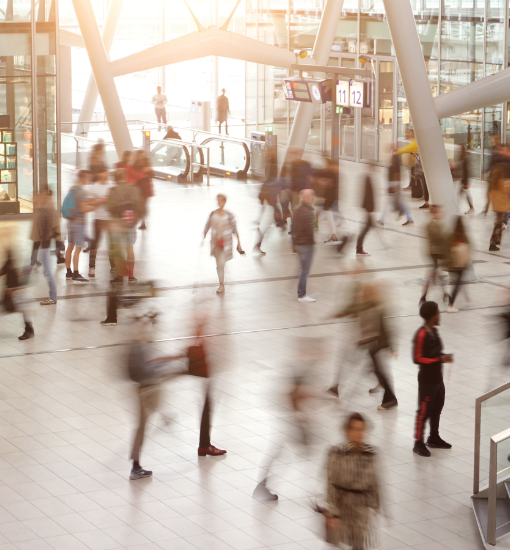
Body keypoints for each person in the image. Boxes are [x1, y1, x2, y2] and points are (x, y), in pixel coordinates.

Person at [331, 279, 398, 410]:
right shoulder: (364, 305)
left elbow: (386, 329)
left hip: (377, 344)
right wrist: (341, 313)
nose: (365, 294)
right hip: (369, 344)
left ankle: (390, 399)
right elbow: (353, 309)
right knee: (376, 371)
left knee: (377, 371)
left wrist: (393, 348)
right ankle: (389, 398)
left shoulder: (378, 308)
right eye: (365, 292)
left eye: (368, 292)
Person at [324, 412, 380, 550]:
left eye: (362, 429)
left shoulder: (370, 453)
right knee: (341, 542)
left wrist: (375, 502)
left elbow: (374, 479)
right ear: (347, 431)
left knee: (360, 544)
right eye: (356, 429)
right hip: (342, 505)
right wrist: (333, 512)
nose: (360, 433)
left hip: (361, 506)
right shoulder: (337, 453)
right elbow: (331, 484)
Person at [413, 301, 453, 457]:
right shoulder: (421, 334)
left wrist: (442, 357)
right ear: (432, 316)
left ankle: (433, 437)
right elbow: (417, 358)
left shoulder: (434, 330)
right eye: (438, 312)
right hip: (427, 381)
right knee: (424, 411)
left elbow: (435, 354)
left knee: (437, 408)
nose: (439, 314)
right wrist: (439, 359)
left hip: (437, 379)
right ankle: (418, 443)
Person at [107, 168, 143, 284]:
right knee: (130, 248)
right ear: (125, 177)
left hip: (117, 223)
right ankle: (131, 275)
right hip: (130, 223)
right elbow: (139, 206)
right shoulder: (134, 189)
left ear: (115, 179)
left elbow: (109, 208)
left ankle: (120, 276)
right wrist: (135, 220)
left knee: (118, 249)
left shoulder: (113, 191)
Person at [203, 194, 243, 294]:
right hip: (216, 244)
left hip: (226, 244)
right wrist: (204, 234)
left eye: (221, 200)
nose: (219, 202)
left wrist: (239, 243)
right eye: (218, 200)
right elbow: (207, 225)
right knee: (219, 264)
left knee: (221, 264)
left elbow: (234, 229)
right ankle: (221, 283)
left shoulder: (229, 215)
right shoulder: (213, 214)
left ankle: (221, 284)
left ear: (225, 202)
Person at [30, 190, 61, 305]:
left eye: (40, 196)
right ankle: (53, 296)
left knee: (47, 272)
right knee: (46, 272)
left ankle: (53, 297)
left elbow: (51, 229)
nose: (37, 198)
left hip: (45, 245)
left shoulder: (47, 210)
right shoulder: (45, 209)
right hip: (44, 245)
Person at [87, 167, 115, 279]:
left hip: (110, 219)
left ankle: (113, 266)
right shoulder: (94, 187)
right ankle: (91, 267)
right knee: (95, 243)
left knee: (112, 243)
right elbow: (90, 203)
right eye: (104, 171)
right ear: (99, 173)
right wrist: (102, 200)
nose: (106, 173)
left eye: (107, 171)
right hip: (98, 219)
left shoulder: (112, 185)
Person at [65, 169, 92, 283]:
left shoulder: (72, 188)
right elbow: (83, 208)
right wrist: (93, 207)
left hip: (70, 222)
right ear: (84, 178)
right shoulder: (82, 191)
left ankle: (68, 271)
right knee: (78, 248)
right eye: (87, 177)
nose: (88, 179)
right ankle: (76, 273)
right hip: (79, 224)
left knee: (70, 247)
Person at [420, 205, 448, 305]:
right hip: (435, 252)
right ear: (433, 213)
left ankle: (444, 293)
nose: (441, 214)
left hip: (437, 252)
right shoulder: (431, 225)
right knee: (433, 273)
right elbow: (438, 238)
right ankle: (424, 296)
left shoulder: (437, 224)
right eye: (439, 212)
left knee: (436, 273)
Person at [378, 146, 413, 227]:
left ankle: (381, 219)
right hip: (392, 183)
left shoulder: (395, 157)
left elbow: (398, 173)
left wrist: (396, 185)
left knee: (389, 203)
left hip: (393, 184)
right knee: (400, 203)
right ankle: (408, 217)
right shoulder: (392, 157)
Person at [291, 189, 316, 303]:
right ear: (308, 198)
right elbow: (310, 230)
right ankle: (302, 295)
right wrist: (312, 243)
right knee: (305, 271)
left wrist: (294, 245)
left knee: (302, 270)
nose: (313, 198)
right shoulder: (308, 212)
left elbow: (292, 228)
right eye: (312, 196)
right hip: (306, 245)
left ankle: (300, 293)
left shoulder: (297, 210)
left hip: (298, 244)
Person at [445, 216, 471, 313]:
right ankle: (450, 305)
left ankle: (467, 299)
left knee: (458, 282)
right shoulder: (464, 236)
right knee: (458, 284)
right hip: (461, 264)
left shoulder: (451, 236)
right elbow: (470, 247)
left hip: (452, 264)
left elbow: (446, 249)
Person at [315, 157, 342, 243]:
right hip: (329, 198)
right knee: (327, 216)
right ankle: (333, 235)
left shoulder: (330, 173)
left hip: (329, 198)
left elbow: (326, 186)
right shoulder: (331, 173)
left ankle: (333, 236)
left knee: (328, 216)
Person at [489, 161, 510, 251]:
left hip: (497, 206)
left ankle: (494, 242)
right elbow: (506, 193)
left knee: (498, 224)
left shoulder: (494, 183)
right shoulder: (502, 183)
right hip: (501, 207)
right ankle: (493, 244)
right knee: (498, 225)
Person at [133, 152, 154, 230]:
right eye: (139, 156)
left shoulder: (147, 164)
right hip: (138, 187)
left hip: (146, 188)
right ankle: (141, 220)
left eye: (141, 156)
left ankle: (143, 221)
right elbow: (134, 175)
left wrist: (142, 175)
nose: (140, 157)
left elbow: (152, 174)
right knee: (139, 205)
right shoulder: (135, 164)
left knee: (144, 205)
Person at [356, 170, 375, 257]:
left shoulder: (368, 177)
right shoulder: (368, 178)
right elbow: (367, 195)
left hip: (368, 209)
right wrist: (369, 210)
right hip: (368, 209)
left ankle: (359, 248)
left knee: (367, 226)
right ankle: (359, 249)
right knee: (366, 227)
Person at [458, 144, 474, 214]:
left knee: (463, 194)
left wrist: (467, 182)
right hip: (462, 180)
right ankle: (471, 207)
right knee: (462, 194)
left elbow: (467, 170)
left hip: (465, 180)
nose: (459, 150)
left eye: (460, 149)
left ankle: (471, 207)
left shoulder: (465, 158)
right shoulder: (462, 158)